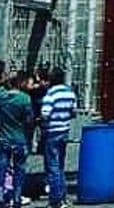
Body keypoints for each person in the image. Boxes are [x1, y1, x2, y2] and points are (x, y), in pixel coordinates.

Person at [0, 70, 34, 208]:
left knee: (1, 169)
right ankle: (17, 198)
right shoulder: (25, 98)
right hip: (19, 138)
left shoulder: (1, 97)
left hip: (4, 138)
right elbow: (29, 120)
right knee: (19, 170)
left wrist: (4, 80)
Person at [40, 67, 77, 208]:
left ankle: (55, 199)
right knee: (60, 165)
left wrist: (41, 121)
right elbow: (73, 112)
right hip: (64, 131)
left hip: (52, 132)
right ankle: (62, 196)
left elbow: (45, 113)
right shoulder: (69, 92)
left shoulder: (51, 94)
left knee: (52, 166)